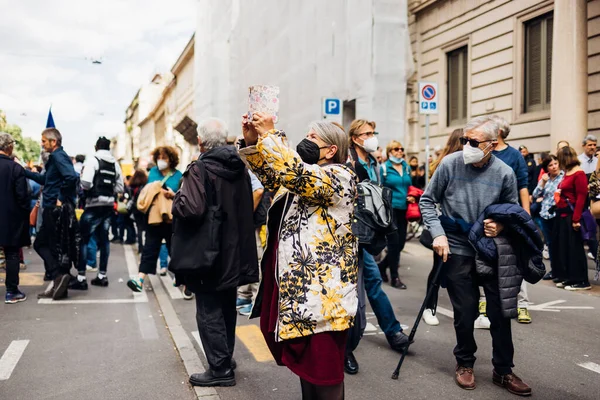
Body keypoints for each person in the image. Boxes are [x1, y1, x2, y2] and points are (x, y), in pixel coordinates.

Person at [239, 113, 357, 399]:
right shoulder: (305, 175)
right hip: (300, 288)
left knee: (324, 369)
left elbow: (293, 172)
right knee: (307, 368)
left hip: (323, 293)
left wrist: (270, 134)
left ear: (331, 150)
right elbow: (274, 176)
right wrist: (254, 142)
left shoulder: (340, 176)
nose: (306, 140)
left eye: (313, 137)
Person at [420, 115, 531, 396]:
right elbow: (427, 200)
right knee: (466, 311)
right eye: (464, 140)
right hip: (457, 246)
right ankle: (465, 363)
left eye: (473, 142)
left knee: (500, 312)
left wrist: (502, 224)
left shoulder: (505, 172)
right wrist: (438, 234)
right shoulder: (449, 164)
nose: (466, 145)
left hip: (491, 250)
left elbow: (513, 212)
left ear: (491, 145)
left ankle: (503, 370)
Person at [170, 118, 258, 388]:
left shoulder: (200, 168)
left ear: (200, 141)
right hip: (234, 250)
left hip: (208, 251)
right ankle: (225, 357)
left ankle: (220, 369)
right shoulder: (238, 166)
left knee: (208, 309)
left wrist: (176, 197)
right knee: (226, 306)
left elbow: (191, 209)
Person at [345, 119, 411, 376]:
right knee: (355, 291)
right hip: (351, 234)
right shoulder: (349, 161)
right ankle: (348, 347)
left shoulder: (375, 163)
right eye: (367, 133)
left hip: (370, 233)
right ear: (354, 138)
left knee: (372, 283)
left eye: (374, 132)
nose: (372, 137)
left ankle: (393, 333)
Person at [24, 128, 79, 300]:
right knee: (55, 247)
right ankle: (59, 282)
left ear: (53, 142)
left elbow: (71, 177)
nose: (42, 144)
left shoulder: (58, 156)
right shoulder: (56, 158)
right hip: (51, 207)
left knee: (41, 244)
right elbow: (44, 180)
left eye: (44, 141)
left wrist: (60, 197)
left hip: (54, 209)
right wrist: (23, 171)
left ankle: (59, 276)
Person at [491, 116, 532, 325]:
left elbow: (523, 185)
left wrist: (526, 214)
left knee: (515, 258)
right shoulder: (485, 151)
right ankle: (484, 301)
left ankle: (522, 304)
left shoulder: (515, 155)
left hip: (511, 214)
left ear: (499, 131)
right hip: (489, 214)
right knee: (486, 258)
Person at [70, 137, 124, 290]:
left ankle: (81, 278)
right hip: (108, 206)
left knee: (84, 240)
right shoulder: (115, 163)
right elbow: (120, 187)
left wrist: (89, 189)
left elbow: (86, 183)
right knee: (104, 240)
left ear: (96, 147)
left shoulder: (92, 160)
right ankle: (102, 276)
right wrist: (108, 191)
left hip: (93, 205)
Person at [126, 146, 183, 293]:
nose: (161, 160)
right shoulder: (152, 173)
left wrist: (172, 194)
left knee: (175, 250)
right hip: (154, 218)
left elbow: (183, 196)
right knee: (149, 249)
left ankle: (181, 277)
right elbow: (147, 191)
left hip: (171, 219)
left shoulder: (178, 175)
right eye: (159, 157)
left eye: (164, 157)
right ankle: (139, 279)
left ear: (171, 160)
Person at [422, 128, 463, 327]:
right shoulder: (444, 164)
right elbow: (430, 198)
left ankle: (464, 310)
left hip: (460, 227)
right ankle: (429, 307)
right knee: (438, 267)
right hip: (442, 225)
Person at [551, 147, 592, 291]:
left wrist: (576, 219)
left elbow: (581, 197)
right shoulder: (568, 172)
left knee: (575, 249)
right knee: (565, 249)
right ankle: (569, 277)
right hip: (563, 215)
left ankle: (580, 280)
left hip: (572, 216)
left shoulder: (578, 173)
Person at [0, 132, 30, 303]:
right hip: (10, 218)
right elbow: (22, 197)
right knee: (12, 254)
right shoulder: (15, 168)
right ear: (9, 146)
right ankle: (11, 291)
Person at [377, 140, 412, 289]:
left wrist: (412, 196)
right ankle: (395, 277)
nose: (399, 151)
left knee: (401, 243)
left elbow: (409, 185)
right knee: (394, 243)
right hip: (390, 209)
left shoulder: (406, 167)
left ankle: (382, 266)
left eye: (401, 149)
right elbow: (379, 189)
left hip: (404, 208)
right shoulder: (385, 168)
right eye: (396, 149)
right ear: (390, 152)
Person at [236, 170, 265, 316]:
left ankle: (255, 302)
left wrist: (245, 216)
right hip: (249, 223)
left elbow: (258, 191)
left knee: (255, 259)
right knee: (247, 257)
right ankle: (245, 296)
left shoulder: (247, 170)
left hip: (252, 223)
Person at [532, 155, 563, 280]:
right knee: (550, 244)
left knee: (559, 244)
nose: (554, 166)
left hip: (558, 215)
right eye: (550, 165)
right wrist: (543, 183)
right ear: (546, 168)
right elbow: (535, 194)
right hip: (545, 215)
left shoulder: (563, 177)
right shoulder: (546, 179)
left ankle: (562, 271)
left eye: (555, 163)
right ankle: (554, 271)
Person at [128, 169, 148, 254]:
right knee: (146, 228)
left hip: (136, 209)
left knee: (139, 228)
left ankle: (140, 248)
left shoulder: (133, 186)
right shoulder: (145, 185)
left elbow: (131, 197)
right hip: (144, 208)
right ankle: (145, 246)